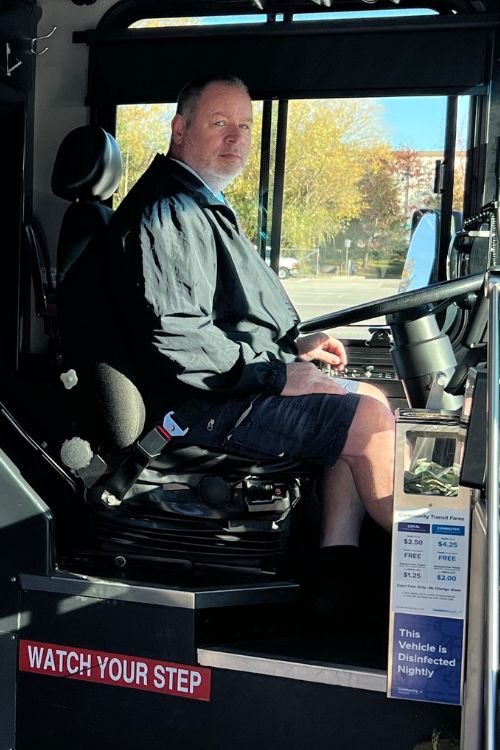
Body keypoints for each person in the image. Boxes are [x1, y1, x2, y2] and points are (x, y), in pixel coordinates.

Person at [101, 73, 395, 611]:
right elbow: (180, 337)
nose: (236, 138)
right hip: (195, 405)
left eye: (244, 126)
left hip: (221, 386)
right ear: (180, 128)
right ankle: (441, 566)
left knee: (366, 399)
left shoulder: (198, 201)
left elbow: (228, 318)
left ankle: (336, 575)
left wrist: (294, 347)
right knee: (368, 422)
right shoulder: (167, 212)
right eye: (219, 124)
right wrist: (279, 373)